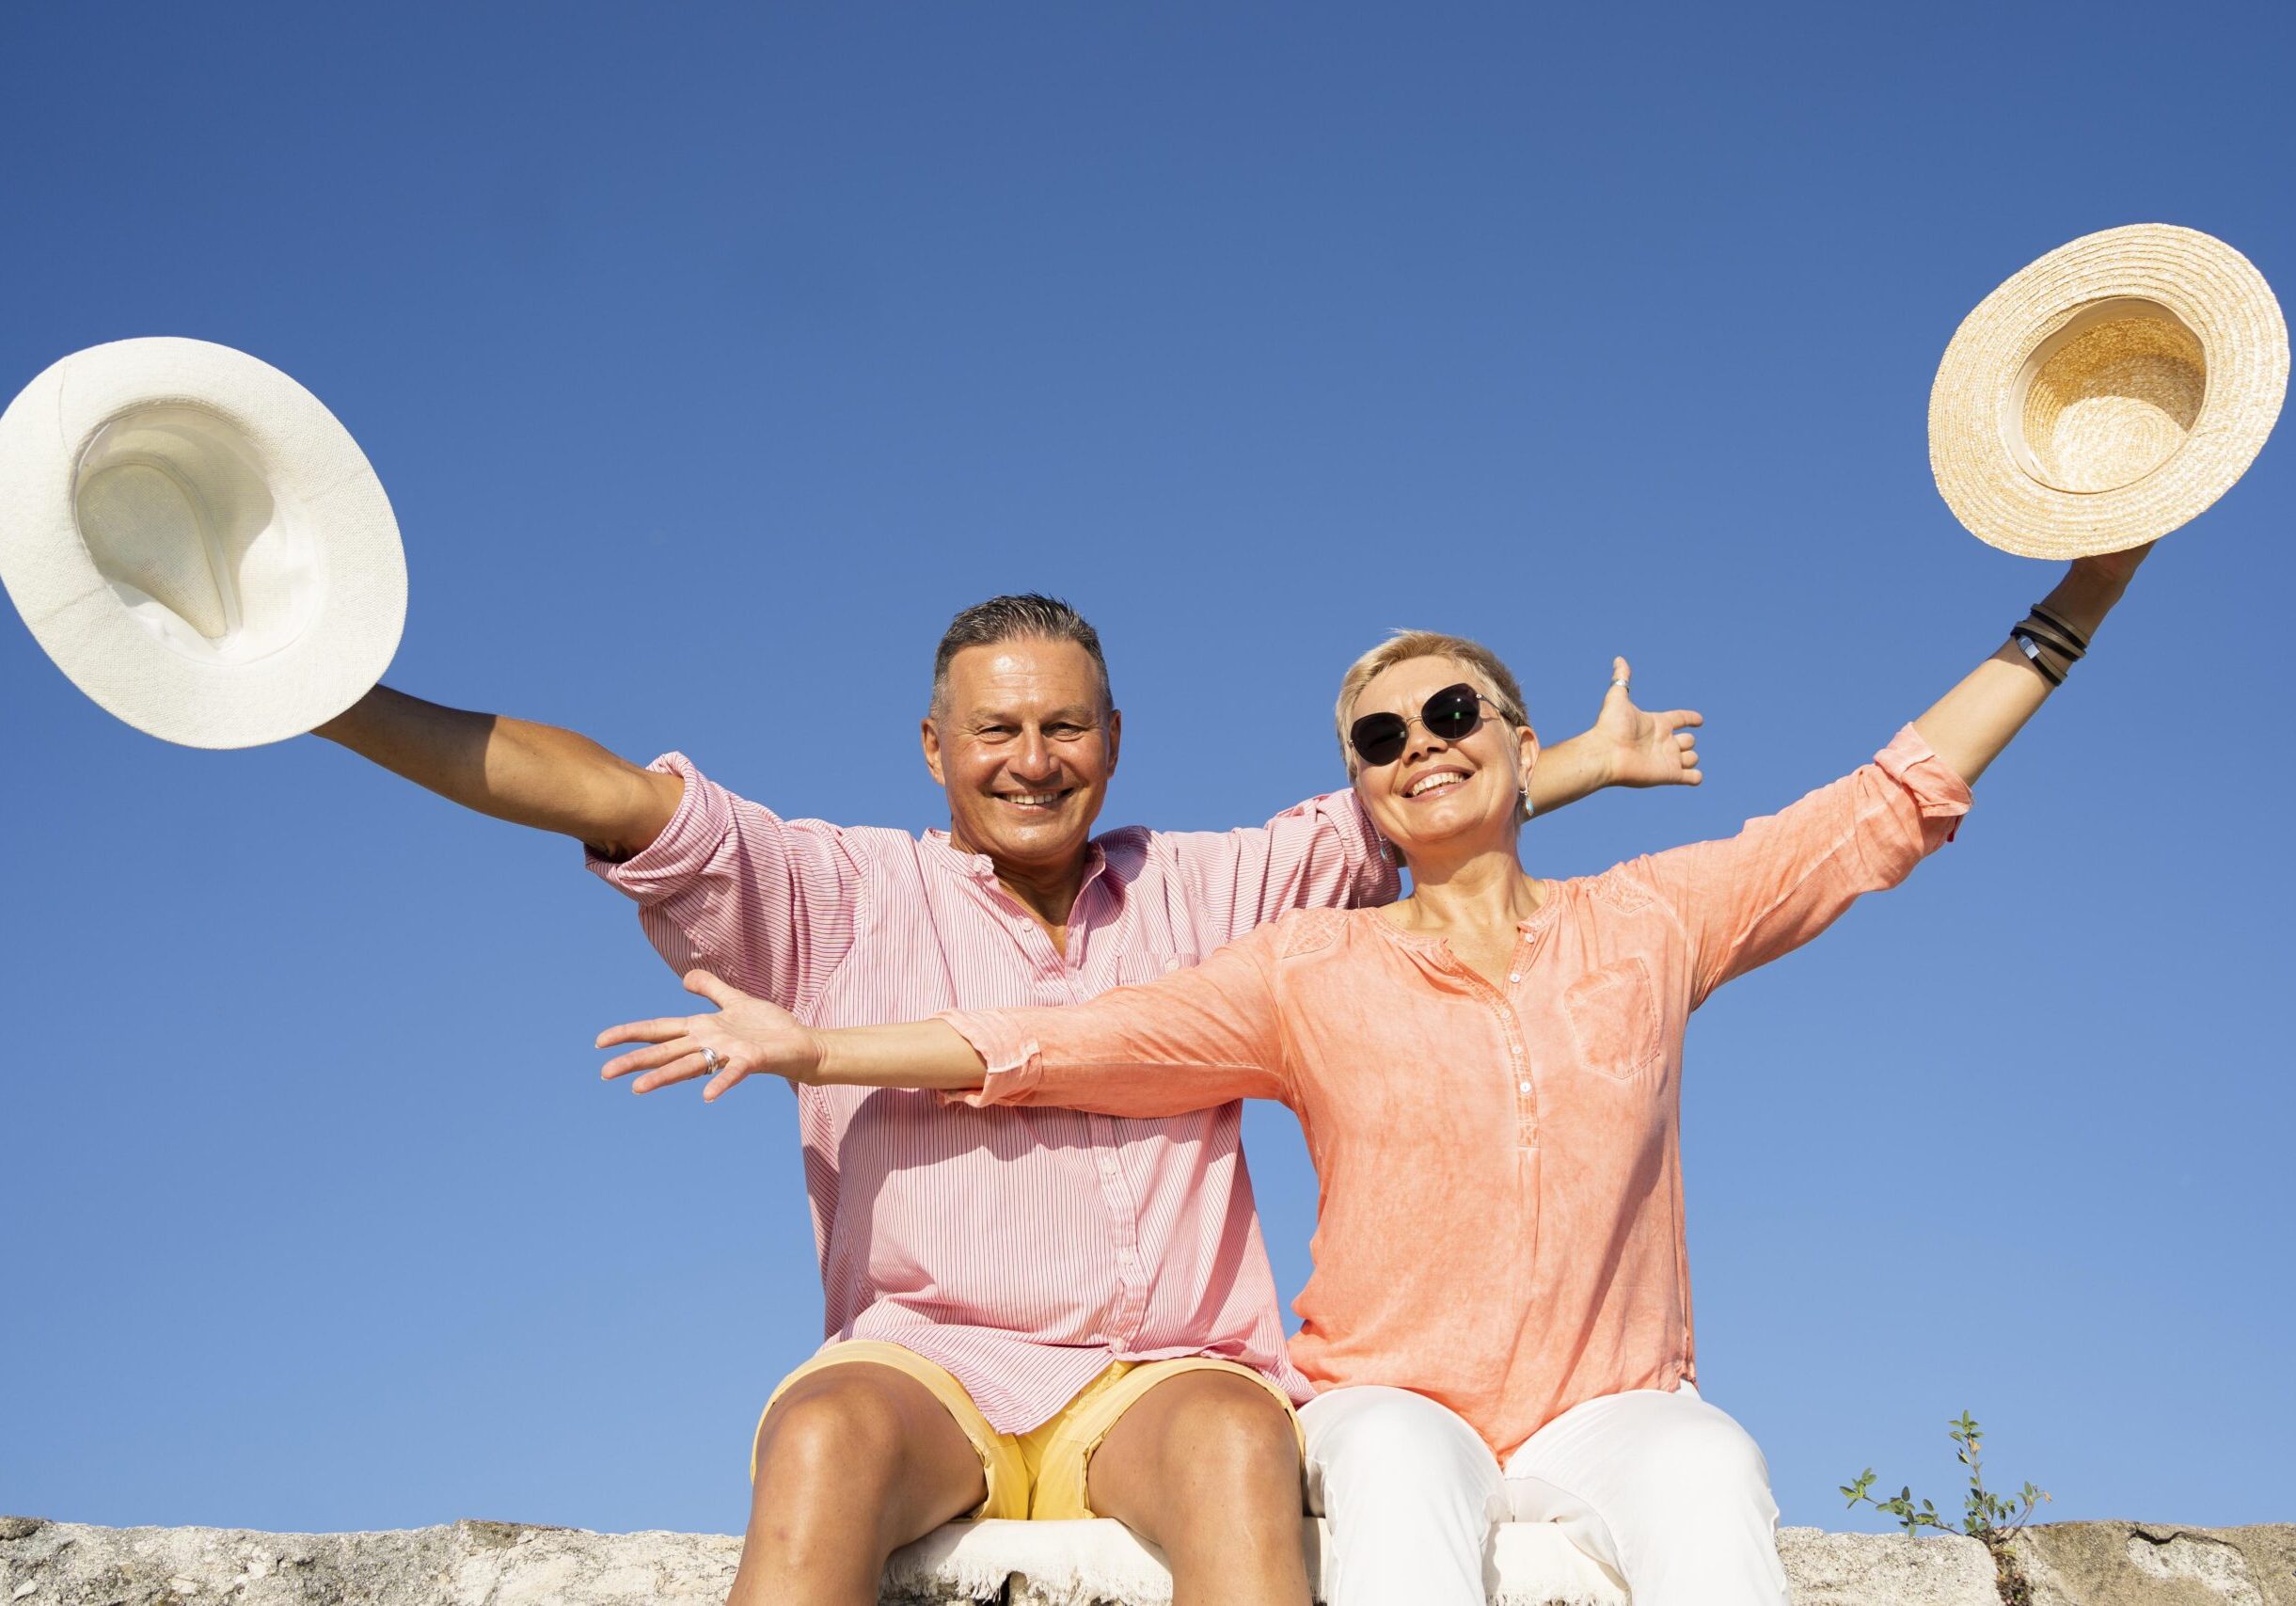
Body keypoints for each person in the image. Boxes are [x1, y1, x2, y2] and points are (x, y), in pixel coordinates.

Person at [595, 553, 2144, 1606]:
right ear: (1359, 786)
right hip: (1389, 1399)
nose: (1420, 743)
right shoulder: (1304, 971)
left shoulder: (1651, 925)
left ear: (1517, 743)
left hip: (1613, 1407)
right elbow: (1053, 1046)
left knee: (1715, 1473)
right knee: (1393, 1477)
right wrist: (816, 1048)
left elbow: (1879, 808)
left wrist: (2074, 601)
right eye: (1380, 734)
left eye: (1453, 713)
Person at [315, 593, 1703, 1606]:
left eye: (1061, 727)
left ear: (1111, 738)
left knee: (1237, 1443)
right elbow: (605, 793)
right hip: (928, 1364)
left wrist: (1573, 761)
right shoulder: (832, 892)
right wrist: (320, 695)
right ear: (934, 746)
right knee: (819, 1432)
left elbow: (1419, 803)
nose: (1028, 760)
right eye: (994, 731)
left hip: (1159, 1378)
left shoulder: (1217, 890)